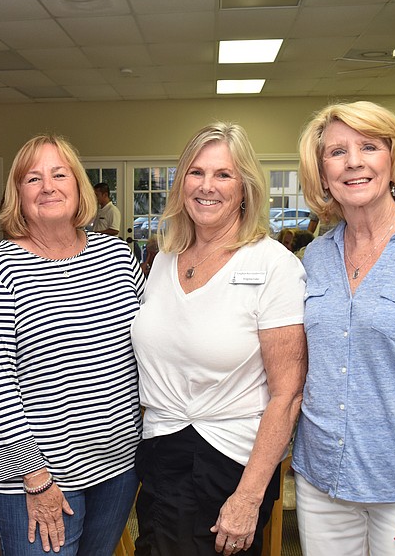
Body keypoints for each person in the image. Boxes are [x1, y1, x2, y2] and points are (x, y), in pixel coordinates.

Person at [131, 122, 307, 556]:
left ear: (245, 187)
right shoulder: (165, 258)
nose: (207, 186)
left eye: (223, 174)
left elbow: (287, 395)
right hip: (160, 451)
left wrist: (248, 497)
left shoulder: (273, 266)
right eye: (196, 172)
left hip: (228, 462)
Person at [292, 100, 395, 556]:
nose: (354, 162)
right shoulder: (316, 258)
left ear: (394, 160)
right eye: (336, 152)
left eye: (369, 146)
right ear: (322, 174)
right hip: (322, 481)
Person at [0, 134, 145, 555]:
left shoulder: (118, 255)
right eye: (33, 178)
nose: (48, 186)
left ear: (78, 185)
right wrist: (36, 477)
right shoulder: (0, 271)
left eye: (59, 174)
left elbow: (149, 348)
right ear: (18, 195)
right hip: (38, 478)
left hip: (118, 468)